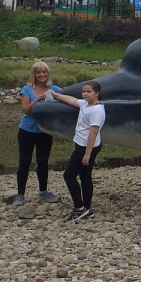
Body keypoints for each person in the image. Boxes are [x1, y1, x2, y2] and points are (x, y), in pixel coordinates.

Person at [52, 80, 105, 222]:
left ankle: (79, 208)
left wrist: (87, 154)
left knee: (69, 176)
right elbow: (73, 100)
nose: (85, 94)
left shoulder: (97, 111)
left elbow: (93, 132)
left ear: (97, 93)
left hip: (87, 147)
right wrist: (56, 95)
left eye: (89, 92)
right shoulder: (86, 104)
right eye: (84, 91)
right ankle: (87, 209)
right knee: (85, 176)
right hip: (82, 144)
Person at [15, 61, 63, 205]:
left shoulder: (55, 89)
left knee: (43, 161)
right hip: (27, 130)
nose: (42, 75)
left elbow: (67, 101)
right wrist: (38, 99)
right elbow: (26, 110)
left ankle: (43, 191)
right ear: (34, 74)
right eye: (39, 72)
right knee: (24, 161)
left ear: (48, 74)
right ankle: (20, 194)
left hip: (45, 131)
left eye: (44, 72)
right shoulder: (27, 89)